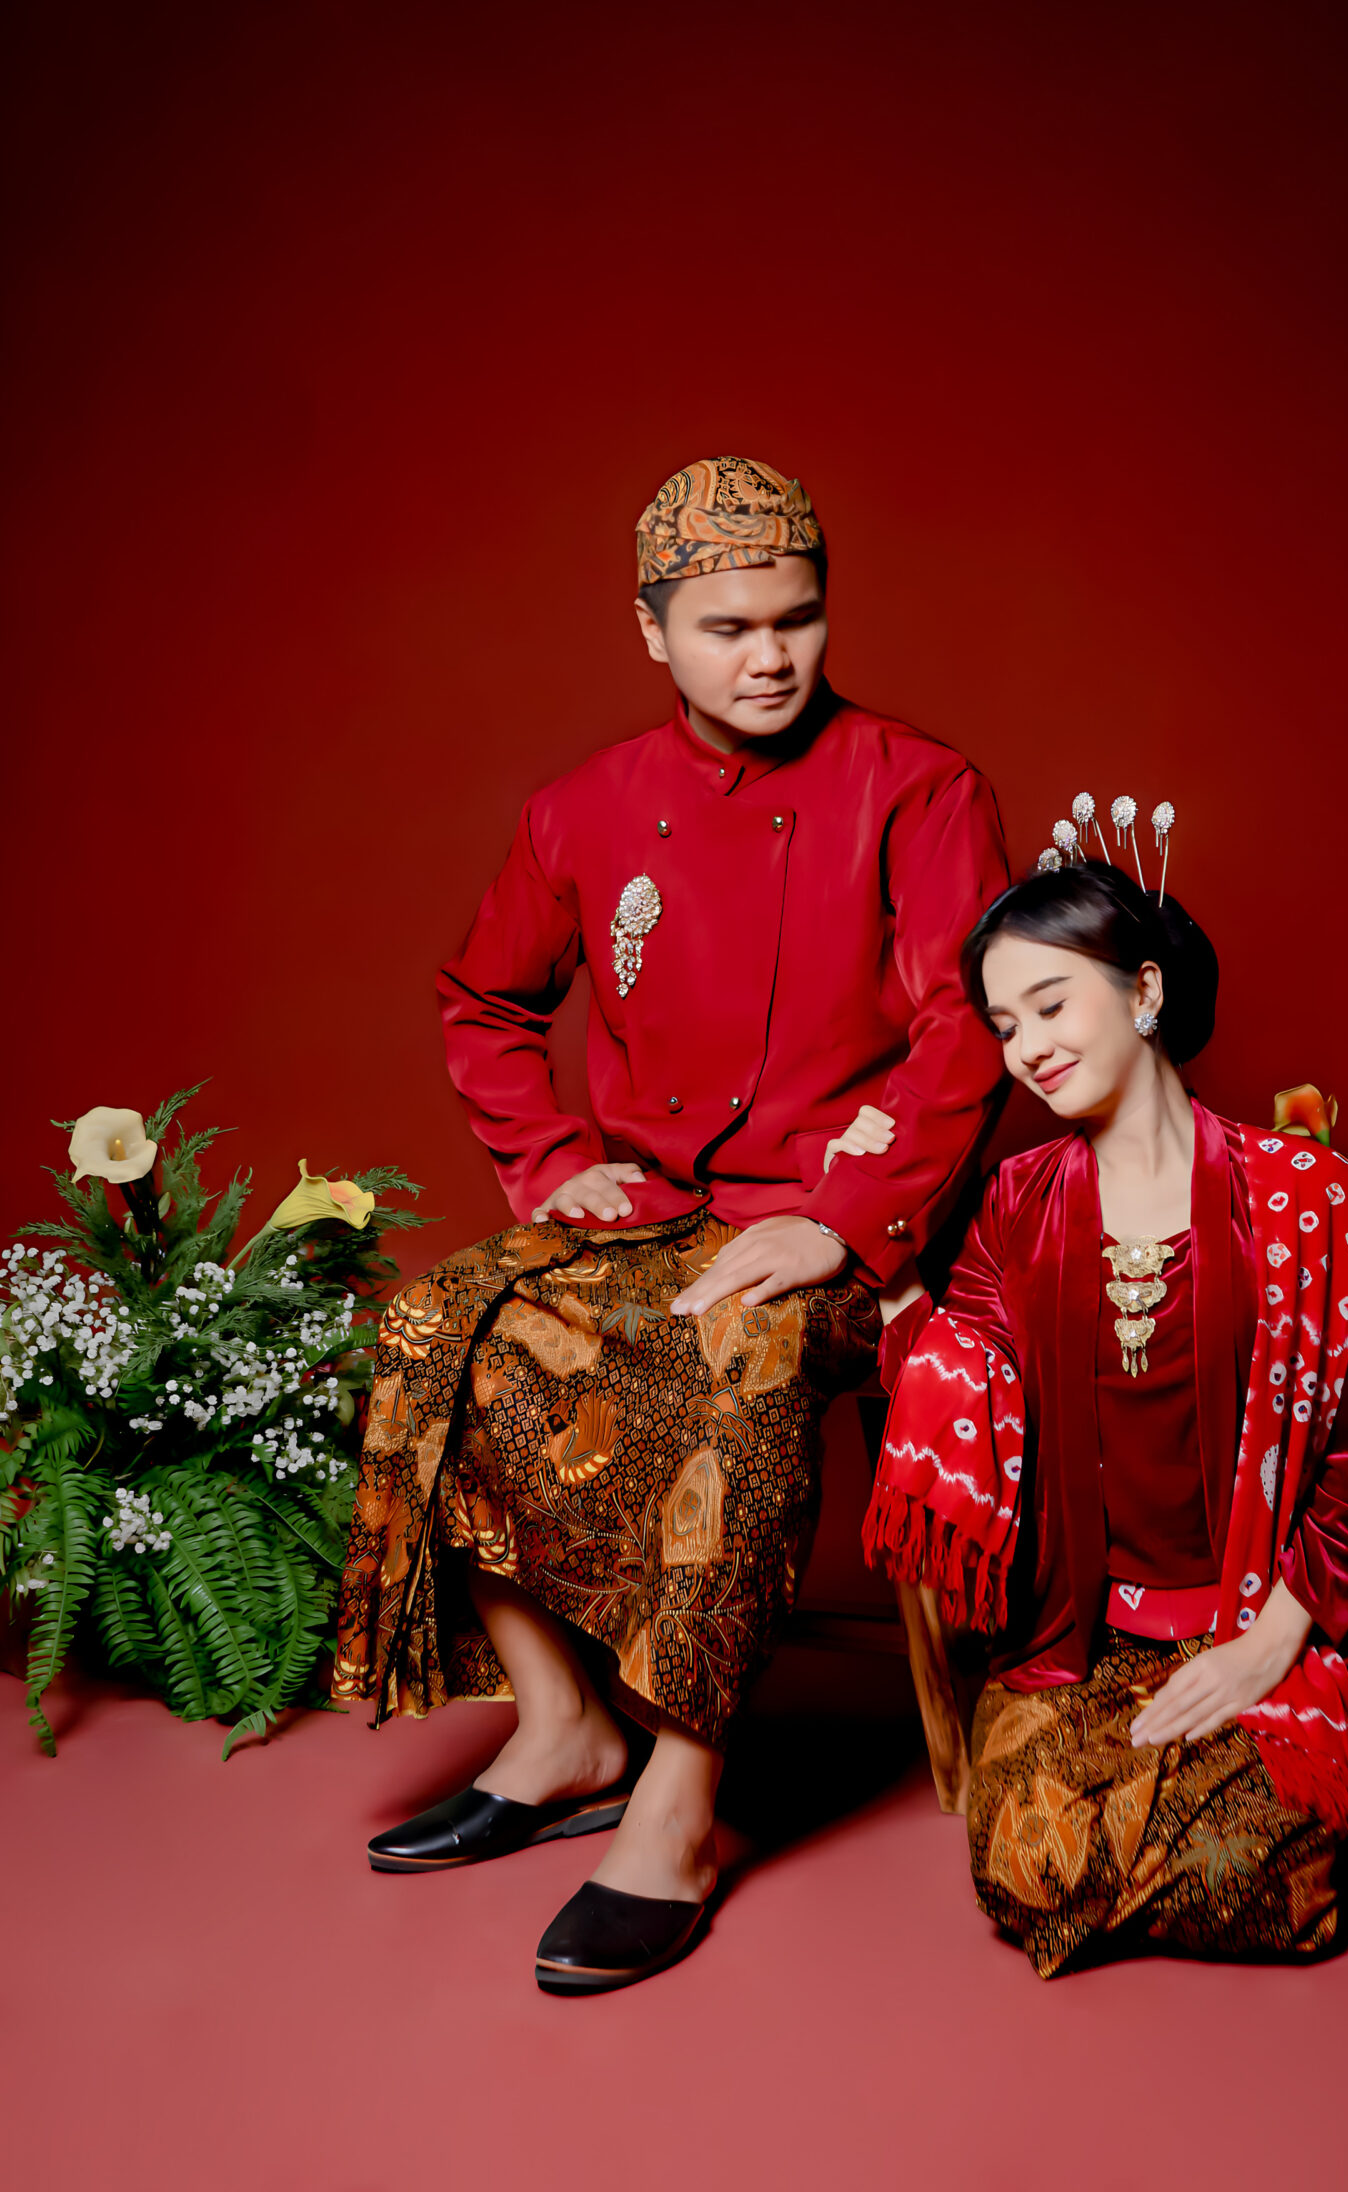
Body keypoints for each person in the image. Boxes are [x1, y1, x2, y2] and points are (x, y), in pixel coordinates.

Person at [333, 454, 1009, 1991]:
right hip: (645, 1207)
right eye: (726, 628)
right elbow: (484, 999)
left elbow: (966, 1027)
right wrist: (547, 1158)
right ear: (651, 632)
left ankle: (679, 1805)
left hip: (831, 1223)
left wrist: (847, 1219)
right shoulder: (581, 807)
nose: (769, 657)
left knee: (743, 1365)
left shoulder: (918, 788)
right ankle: (562, 1729)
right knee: (429, 1331)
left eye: (795, 619)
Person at [863, 857, 1348, 1977]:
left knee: (1268, 1873)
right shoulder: (1018, 1202)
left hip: (1256, 1622)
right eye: (1006, 1026)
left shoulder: (1306, 1199)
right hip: (1081, 1641)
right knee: (1026, 1863)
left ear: (1143, 989)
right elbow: (957, 1380)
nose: (1027, 1047)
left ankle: (1189, 1828)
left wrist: (1264, 1649)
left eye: (1050, 1005)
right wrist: (887, 1258)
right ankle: (1127, 1846)